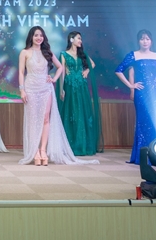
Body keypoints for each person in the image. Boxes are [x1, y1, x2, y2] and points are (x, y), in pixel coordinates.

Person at [18, 26, 97, 166]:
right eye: (36, 35)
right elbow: (20, 72)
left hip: (46, 88)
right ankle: (35, 151)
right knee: (33, 120)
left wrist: (53, 79)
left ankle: (43, 150)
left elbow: (60, 67)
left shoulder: (47, 52)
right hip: (30, 88)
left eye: (41, 35)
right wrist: (22, 90)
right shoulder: (24, 52)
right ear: (31, 37)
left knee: (45, 119)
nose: (39, 38)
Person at [115, 29, 156, 164]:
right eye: (142, 39)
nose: (145, 41)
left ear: (151, 41)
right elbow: (118, 70)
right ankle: (142, 156)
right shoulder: (133, 55)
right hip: (141, 93)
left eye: (147, 39)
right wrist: (131, 85)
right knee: (143, 122)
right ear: (138, 41)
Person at [58, 31, 102, 156]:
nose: (80, 41)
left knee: (82, 113)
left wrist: (86, 71)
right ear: (71, 39)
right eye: (78, 38)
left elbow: (92, 64)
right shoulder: (63, 54)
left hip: (81, 86)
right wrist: (61, 89)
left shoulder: (82, 54)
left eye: (81, 39)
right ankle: (70, 145)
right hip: (70, 85)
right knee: (71, 113)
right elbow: (62, 73)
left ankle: (82, 145)